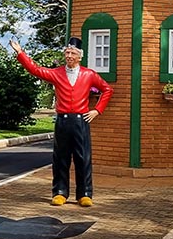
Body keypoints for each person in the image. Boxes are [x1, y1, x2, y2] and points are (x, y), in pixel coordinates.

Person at [10, 36, 113, 207]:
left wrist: (97, 110)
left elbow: (107, 89)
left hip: (81, 121)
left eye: (73, 53)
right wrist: (21, 53)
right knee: (61, 158)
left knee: (83, 158)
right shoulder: (57, 73)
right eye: (67, 52)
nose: (69, 56)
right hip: (63, 121)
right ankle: (60, 192)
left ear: (80, 56)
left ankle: (85, 193)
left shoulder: (89, 74)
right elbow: (35, 70)